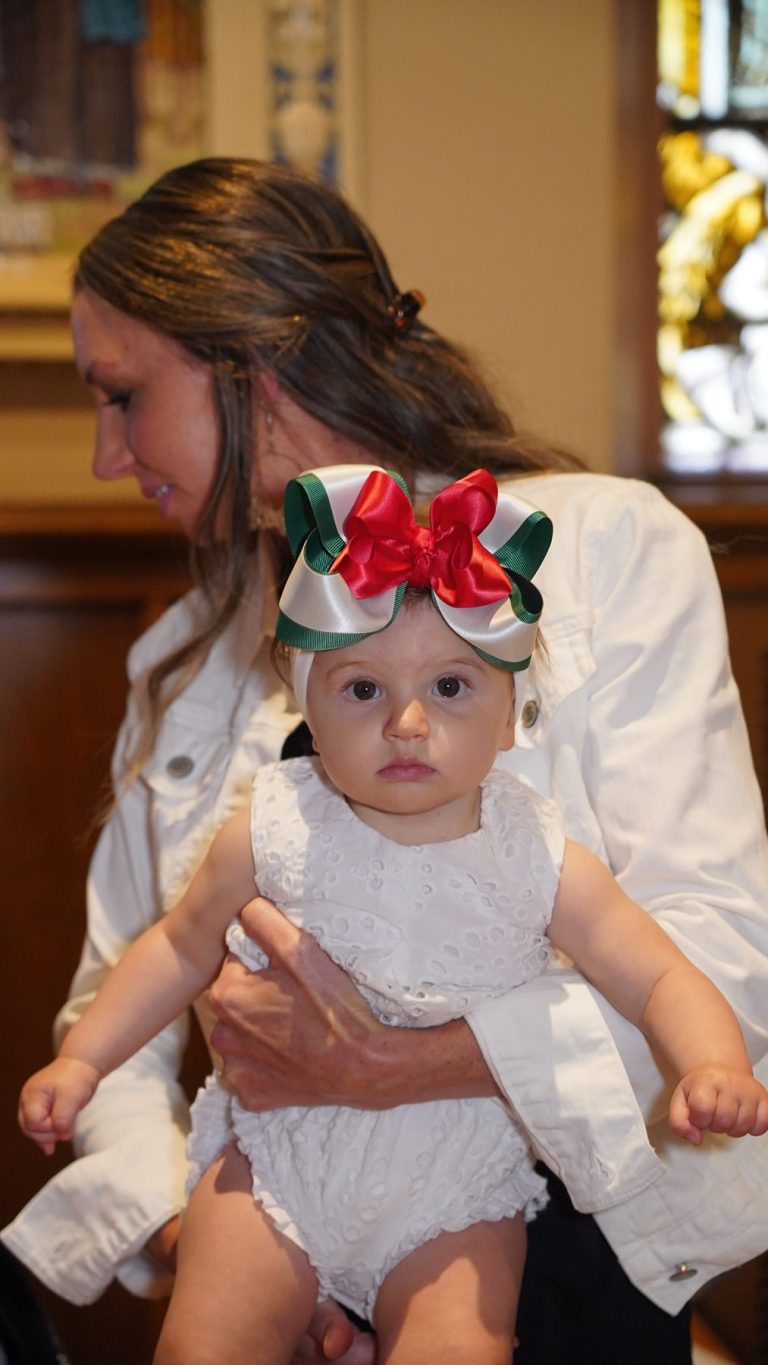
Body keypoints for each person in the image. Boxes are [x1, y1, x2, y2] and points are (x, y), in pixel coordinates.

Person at [2, 156, 768, 1365]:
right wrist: (224, 1254)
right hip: (273, 1233)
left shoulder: (601, 551)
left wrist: (398, 1067)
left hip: (558, 1261)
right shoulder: (188, 662)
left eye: (124, 396)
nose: (107, 453)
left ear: (251, 368)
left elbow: (720, 961)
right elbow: (122, 996)